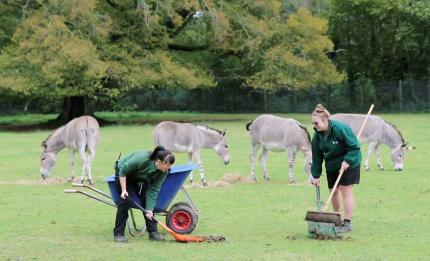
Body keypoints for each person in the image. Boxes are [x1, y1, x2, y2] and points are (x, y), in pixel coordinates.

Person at [310, 104, 362, 233]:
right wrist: (315, 175)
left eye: (316, 123)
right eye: (313, 123)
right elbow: (317, 157)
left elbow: (355, 147)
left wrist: (348, 160)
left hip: (349, 162)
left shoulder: (341, 129)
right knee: (333, 191)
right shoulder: (317, 136)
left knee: (345, 189)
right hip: (332, 164)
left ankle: (347, 223)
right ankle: (335, 218)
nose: (314, 126)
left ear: (326, 120)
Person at [113, 146, 175, 243]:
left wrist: (149, 209)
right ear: (159, 161)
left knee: (146, 201)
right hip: (123, 173)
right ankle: (119, 234)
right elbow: (123, 170)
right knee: (125, 201)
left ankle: (153, 232)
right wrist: (124, 190)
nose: (169, 168)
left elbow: (153, 191)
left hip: (140, 177)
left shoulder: (163, 171)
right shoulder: (141, 159)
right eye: (167, 165)